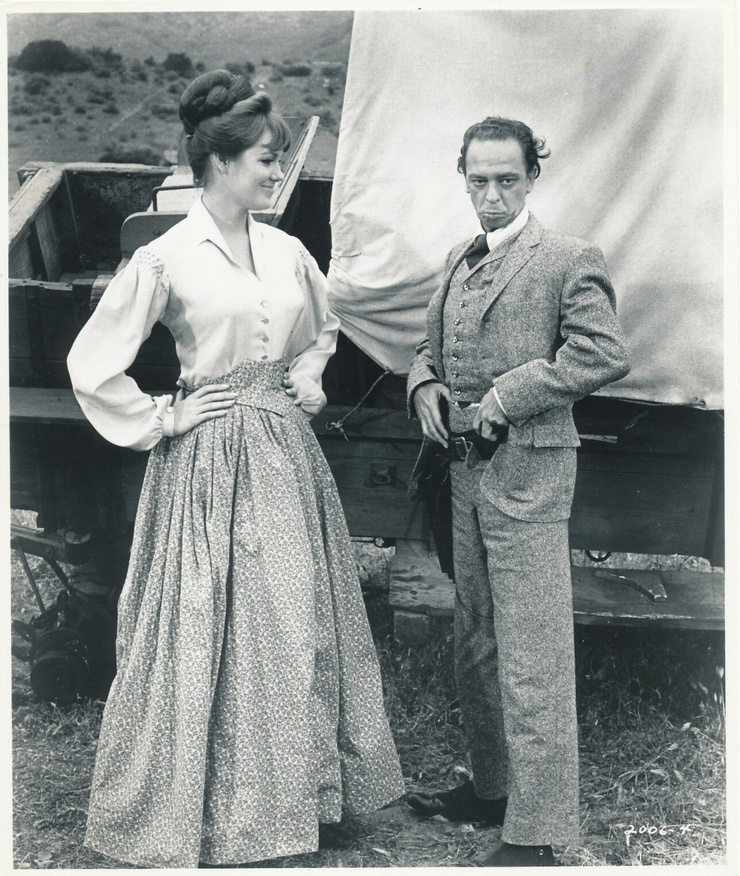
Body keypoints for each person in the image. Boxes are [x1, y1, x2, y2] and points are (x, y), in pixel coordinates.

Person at [67, 69, 404, 869]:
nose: (277, 172)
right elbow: (92, 362)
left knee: (290, 622)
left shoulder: (286, 250)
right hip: (208, 459)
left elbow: (321, 328)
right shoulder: (166, 257)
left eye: (278, 159)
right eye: (265, 159)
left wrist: (310, 376)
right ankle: (211, 810)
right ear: (219, 161)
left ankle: (293, 803)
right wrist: (164, 416)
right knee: (204, 626)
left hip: (283, 454)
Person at [405, 117, 631, 866]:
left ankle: (537, 832)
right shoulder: (457, 258)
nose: (492, 196)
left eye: (507, 180)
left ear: (533, 176)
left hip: (530, 478)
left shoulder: (567, 258)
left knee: (534, 653)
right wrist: (425, 385)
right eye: (479, 181)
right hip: (464, 477)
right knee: (476, 640)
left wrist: (510, 393)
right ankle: (493, 791)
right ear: (463, 178)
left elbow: (603, 352)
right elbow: (428, 347)